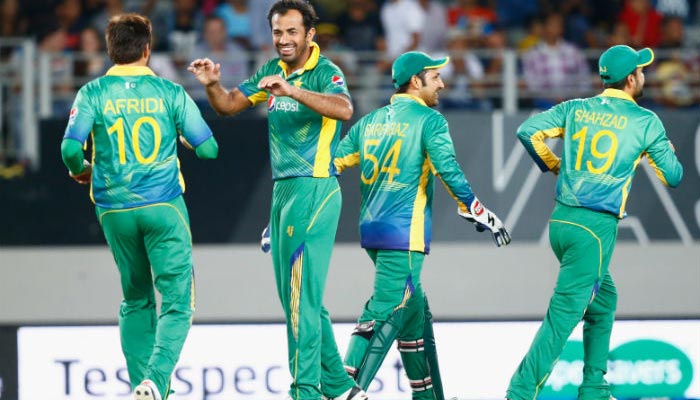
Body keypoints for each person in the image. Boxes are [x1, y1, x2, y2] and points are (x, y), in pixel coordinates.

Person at [187, 1, 367, 399]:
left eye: (291, 32)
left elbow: (344, 108)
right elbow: (231, 104)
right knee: (297, 299)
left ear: (309, 34)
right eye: (277, 32)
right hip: (282, 191)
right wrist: (213, 85)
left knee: (301, 298)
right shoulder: (271, 69)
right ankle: (339, 386)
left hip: (314, 187)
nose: (283, 40)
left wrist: (294, 91)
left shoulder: (326, 72)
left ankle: (305, 391)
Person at [506, 44, 683, 400]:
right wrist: (666, 155)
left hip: (562, 223)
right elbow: (674, 176)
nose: (644, 75)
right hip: (595, 229)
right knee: (563, 317)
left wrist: (555, 166)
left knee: (603, 301)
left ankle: (594, 386)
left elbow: (528, 130)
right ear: (631, 79)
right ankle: (520, 392)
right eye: (641, 71)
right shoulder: (645, 121)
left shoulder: (577, 108)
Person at [333, 51, 511, 399]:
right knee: (388, 306)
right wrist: (476, 208)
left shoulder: (369, 122)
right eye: (434, 77)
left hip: (372, 232)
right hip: (405, 232)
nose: (442, 83)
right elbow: (449, 170)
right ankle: (342, 388)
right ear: (415, 82)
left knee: (415, 313)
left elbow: (331, 166)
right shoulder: (430, 121)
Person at [60, 13, 219, 400]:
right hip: (163, 206)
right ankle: (157, 380)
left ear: (111, 50)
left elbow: (68, 148)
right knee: (178, 302)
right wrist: (186, 142)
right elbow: (210, 150)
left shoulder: (92, 93)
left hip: (114, 210)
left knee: (135, 299)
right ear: (147, 50)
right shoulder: (170, 92)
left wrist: (82, 170)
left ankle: (141, 388)